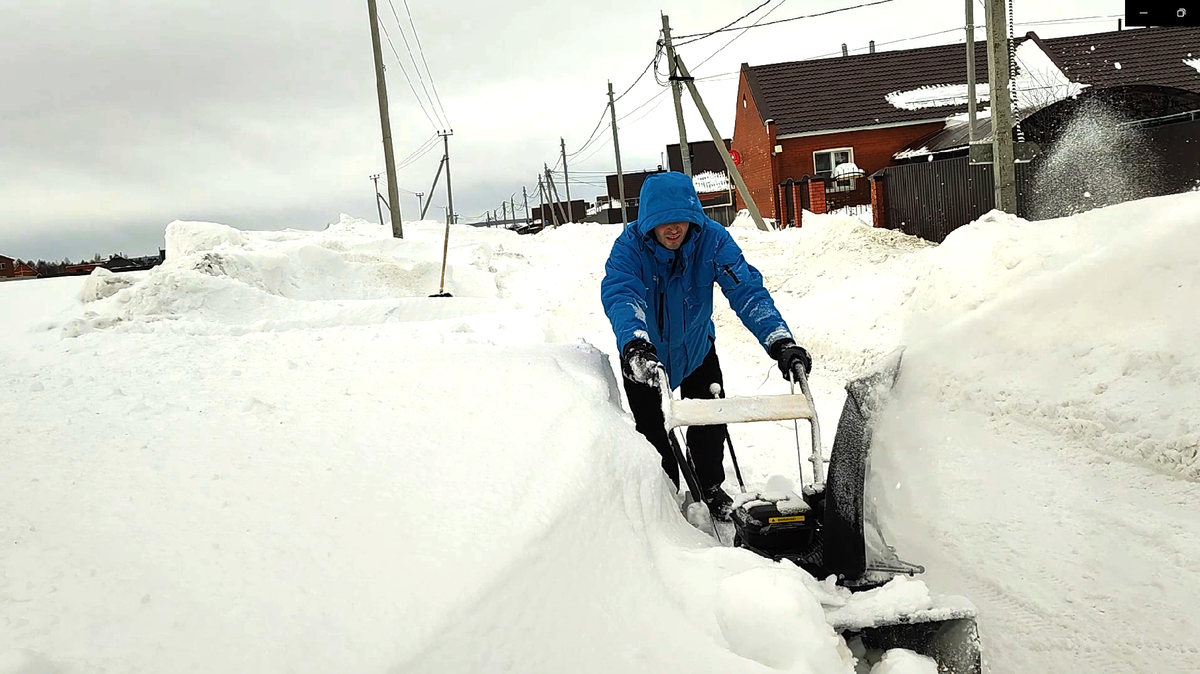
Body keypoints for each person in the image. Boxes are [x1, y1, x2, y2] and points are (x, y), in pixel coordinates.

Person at [600, 171, 812, 519]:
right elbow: (621, 294)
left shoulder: (712, 241)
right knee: (654, 434)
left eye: (681, 221)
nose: (673, 230)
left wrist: (780, 341)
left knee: (711, 421)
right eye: (663, 222)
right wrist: (635, 345)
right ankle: (663, 494)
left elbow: (746, 291)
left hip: (697, 348)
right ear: (648, 221)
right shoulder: (629, 248)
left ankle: (710, 486)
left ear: (693, 218)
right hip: (645, 358)